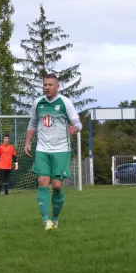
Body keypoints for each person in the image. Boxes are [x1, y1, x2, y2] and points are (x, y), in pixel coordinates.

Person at [24, 73, 82, 230]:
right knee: (42, 181)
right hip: (42, 149)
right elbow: (32, 123)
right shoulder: (38, 103)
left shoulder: (65, 102)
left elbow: (78, 123)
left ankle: (55, 219)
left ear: (58, 86)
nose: (47, 87)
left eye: (50, 85)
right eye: (45, 85)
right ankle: (45, 221)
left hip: (61, 150)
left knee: (57, 185)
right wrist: (28, 142)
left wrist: (74, 128)